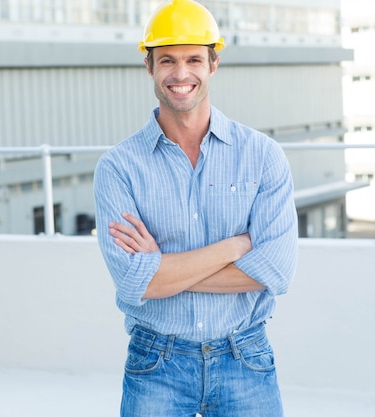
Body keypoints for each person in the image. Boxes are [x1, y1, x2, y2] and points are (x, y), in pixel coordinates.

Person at [93, 0, 298, 415]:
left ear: (213, 64)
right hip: (156, 364)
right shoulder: (118, 167)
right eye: (167, 60)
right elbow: (137, 284)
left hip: (245, 357)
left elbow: (275, 272)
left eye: (193, 60)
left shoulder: (262, 156)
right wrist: (235, 247)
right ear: (149, 66)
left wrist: (163, 267)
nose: (181, 74)